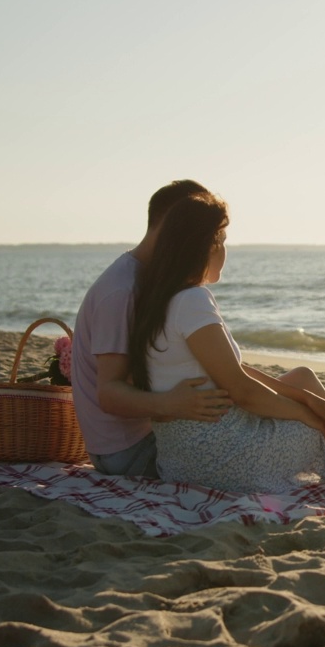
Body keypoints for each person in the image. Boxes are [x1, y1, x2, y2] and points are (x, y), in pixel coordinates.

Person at [126, 191, 325, 493]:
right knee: (322, 425)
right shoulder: (192, 300)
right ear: (202, 247)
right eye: (220, 241)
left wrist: (302, 398)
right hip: (217, 458)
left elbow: (232, 371)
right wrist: (308, 415)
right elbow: (244, 392)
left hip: (182, 457)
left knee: (303, 378)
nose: (224, 250)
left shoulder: (158, 299)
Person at [71, 180, 234, 478]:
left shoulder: (155, 279)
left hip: (151, 431)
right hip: (127, 451)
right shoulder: (122, 290)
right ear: (172, 220)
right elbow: (108, 392)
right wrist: (171, 403)